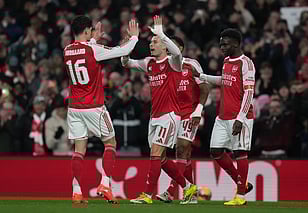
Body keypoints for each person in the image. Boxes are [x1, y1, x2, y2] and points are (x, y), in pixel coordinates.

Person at [121, 16, 197, 205]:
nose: (151, 45)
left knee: (155, 153)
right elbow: (126, 63)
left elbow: (178, 54)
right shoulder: (149, 63)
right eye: (151, 42)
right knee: (160, 158)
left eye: (155, 42)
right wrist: (128, 45)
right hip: (154, 117)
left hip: (170, 115)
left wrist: (161, 33)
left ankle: (147, 194)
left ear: (165, 46)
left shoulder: (173, 63)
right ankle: (188, 188)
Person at [64, 15, 139, 204]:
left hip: (74, 107)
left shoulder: (67, 50)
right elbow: (123, 50)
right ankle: (105, 184)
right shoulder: (93, 49)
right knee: (110, 143)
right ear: (88, 30)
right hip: (94, 106)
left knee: (79, 150)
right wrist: (134, 37)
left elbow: (83, 49)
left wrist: (92, 40)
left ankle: (77, 192)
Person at [193, 28, 255, 206]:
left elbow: (249, 93)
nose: (222, 46)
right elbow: (224, 80)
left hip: (239, 117)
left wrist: (241, 118)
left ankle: (240, 197)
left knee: (240, 153)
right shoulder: (227, 61)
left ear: (236, 43)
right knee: (215, 151)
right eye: (220, 43)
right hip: (223, 116)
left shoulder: (246, 63)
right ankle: (242, 183)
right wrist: (203, 76)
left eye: (225, 43)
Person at [156, 36, 209, 204]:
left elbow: (205, 87)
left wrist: (198, 110)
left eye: (172, 46)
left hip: (189, 113)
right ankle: (192, 193)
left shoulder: (191, 64)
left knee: (182, 147)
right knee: (183, 154)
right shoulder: (164, 67)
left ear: (179, 48)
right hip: (172, 113)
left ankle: (170, 192)